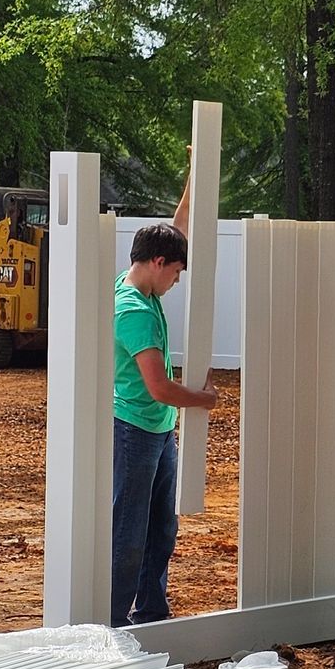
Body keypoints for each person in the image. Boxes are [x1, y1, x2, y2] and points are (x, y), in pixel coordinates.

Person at [112, 180, 218, 627]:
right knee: (129, 533)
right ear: (158, 263)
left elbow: (177, 229)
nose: (177, 280)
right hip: (135, 429)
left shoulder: (144, 282)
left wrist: (194, 178)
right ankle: (113, 620)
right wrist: (202, 400)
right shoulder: (133, 309)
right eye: (176, 271)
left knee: (162, 529)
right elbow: (158, 386)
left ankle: (151, 610)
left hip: (157, 430)